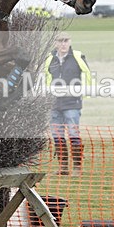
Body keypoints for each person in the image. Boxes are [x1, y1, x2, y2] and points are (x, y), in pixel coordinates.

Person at [44, 32, 93, 175]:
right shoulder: (49, 59)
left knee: (73, 135)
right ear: (55, 43)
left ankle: (77, 168)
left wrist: (84, 93)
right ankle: (63, 167)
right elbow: (46, 78)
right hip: (54, 104)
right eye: (60, 41)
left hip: (72, 103)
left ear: (70, 42)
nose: (63, 44)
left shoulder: (78, 57)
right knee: (57, 136)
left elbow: (87, 75)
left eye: (66, 41)